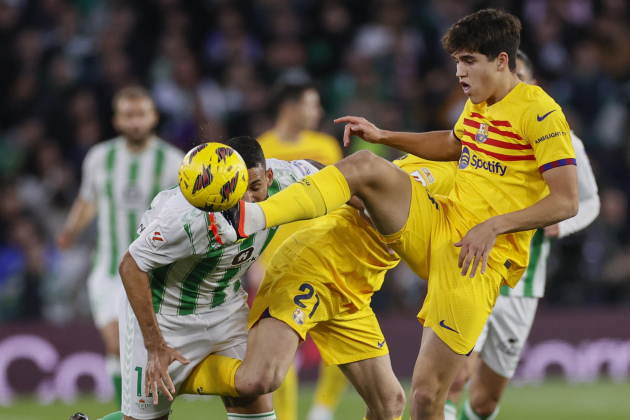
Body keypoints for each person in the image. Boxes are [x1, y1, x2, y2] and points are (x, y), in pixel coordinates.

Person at [195, 9, 579, 420]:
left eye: (468, 62)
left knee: (425, 399)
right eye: (456, 63)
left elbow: (566, 202)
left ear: (502, 61)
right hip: (437, 225)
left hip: (476, 259)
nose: (459, 74)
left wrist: (493, 226)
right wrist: (384, 136)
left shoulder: (540, 113)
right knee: (364, 165)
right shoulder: (479, 105)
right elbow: (453, 143)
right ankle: (256, 216)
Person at [181, 154, 457, 420]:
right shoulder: (439, 166)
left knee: (389, 403)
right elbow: (353, 170)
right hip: (313, 267)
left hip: (355, 289)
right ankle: (172, 376)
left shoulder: (472, 189)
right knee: (262, 378)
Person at [99, 136, 323, 420]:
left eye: (255, 187)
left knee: (255, 401)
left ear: (268, 176)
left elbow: (330, 176)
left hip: (225, 307)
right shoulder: (185, 217)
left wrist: (361, 208)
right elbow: (130, 266)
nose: (249, 200)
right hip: (166, 317)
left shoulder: (284, 177)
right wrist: (154, 346)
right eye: (240, 190)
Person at [443, 50, 600, 420]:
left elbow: (588, 202)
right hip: (474, 266)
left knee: (484, 403)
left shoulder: (564, 140)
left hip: (523, 284)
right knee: (454, 377)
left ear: (531, 85)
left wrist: (563, 224)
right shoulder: (478, 127)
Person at [57, 86, 184, 405]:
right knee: (118, 345)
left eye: (141, 114)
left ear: (153, 117)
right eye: (128, 115)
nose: (136, 122)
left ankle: (133, 408)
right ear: (117, 121)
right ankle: (132, 407)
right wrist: (70, 229)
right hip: (109, 269)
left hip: (154, 271)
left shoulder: (171, 160)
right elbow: (88, 201)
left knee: (135, 349)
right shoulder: (101, 157)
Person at [255, 81, 344, 420]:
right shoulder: (261, 148)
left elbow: (338, 198)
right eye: (312, 104)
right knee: (281, 351)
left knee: (342, 338)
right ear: (289, 107)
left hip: (323, 258)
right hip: (275, 264)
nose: (318, 112)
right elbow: (252, 208)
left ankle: (322, 410)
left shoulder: (326, 146)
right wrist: (256, 260)